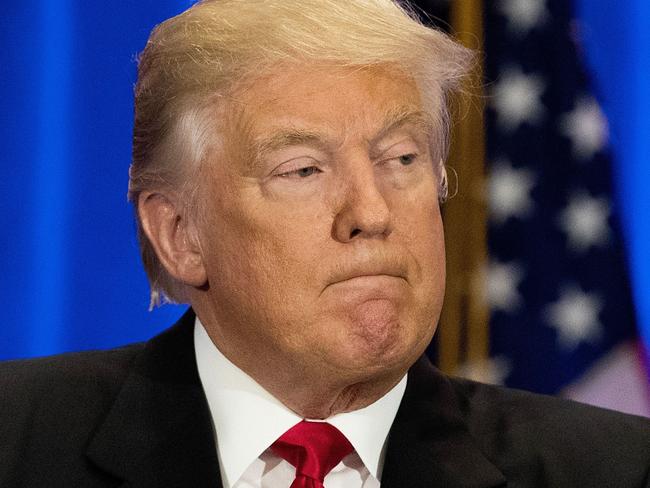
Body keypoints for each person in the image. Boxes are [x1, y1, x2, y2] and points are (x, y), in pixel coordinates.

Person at [1, 0, 649, 487]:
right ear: (180, 235)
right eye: (305, 170)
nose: (371, 213)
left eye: (400, 159)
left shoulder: (615, 470)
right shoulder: (19, 442)